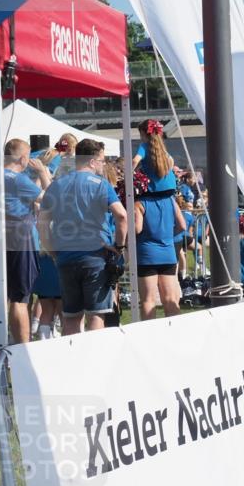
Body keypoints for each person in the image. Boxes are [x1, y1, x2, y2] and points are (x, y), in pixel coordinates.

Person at [38, 139, 126, 336]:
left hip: (65, 256)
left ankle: (71, 363)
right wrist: (119, 246)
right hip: (96, 255)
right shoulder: (101, 185)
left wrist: (52, 250)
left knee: (71, 317)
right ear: (93, 161)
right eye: (102, 161)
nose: (104, 165)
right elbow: (121, 216)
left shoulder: (56, 185)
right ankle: (95, 361)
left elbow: (41, 222)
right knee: (96, 315)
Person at [0, 139, 50, 349]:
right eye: (28, 156)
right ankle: (23, 349)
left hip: (4, 237)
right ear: (23, 157)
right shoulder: (16, 178)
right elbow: (50, 199)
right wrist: (42, 173)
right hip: (21, 238)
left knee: (3, 293)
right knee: (21, 297)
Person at [133, 120, 182, 320]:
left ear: (144, 134)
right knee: (171, 299)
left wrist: (130, 175)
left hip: (147, 254)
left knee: (148, 300)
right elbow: (182, 225)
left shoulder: (140, 204)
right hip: (168, 250)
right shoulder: (171, 201)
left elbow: (136, 229)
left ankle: (148, 339)